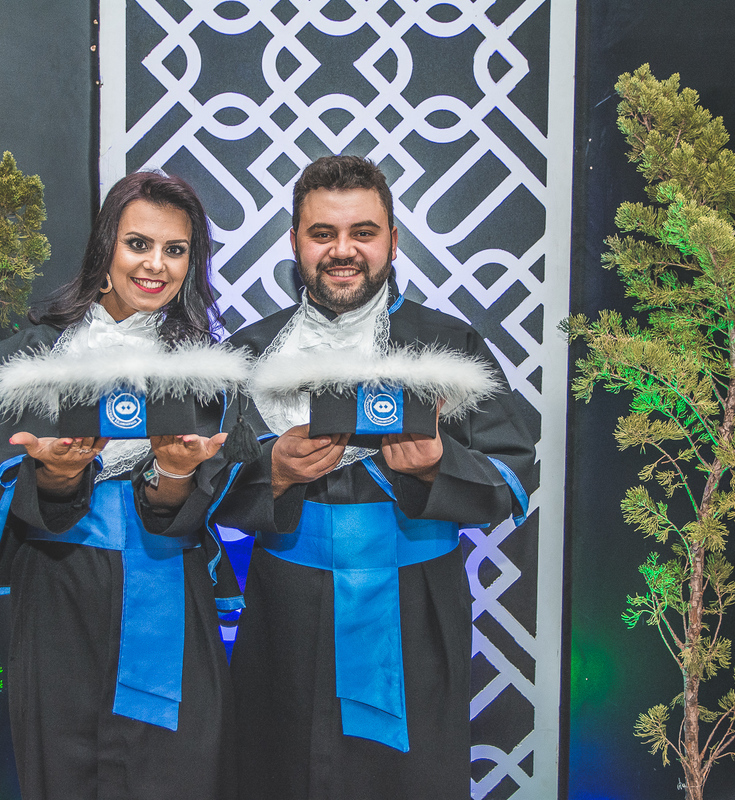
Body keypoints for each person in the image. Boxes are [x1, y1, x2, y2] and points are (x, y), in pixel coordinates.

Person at [215, 155, 533, 800]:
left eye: (363, 232)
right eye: (322, 233)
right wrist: (272, 472)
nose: (343, 250)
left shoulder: (451, 345)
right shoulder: (248, 352)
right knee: (280, 775)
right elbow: (202, 485)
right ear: (295, 242)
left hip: (416, 608)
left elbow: (512, 476)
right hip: (284, 606)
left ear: (392, 240)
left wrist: (439, 465)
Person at [0, 171, 240, 799]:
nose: (155, 265)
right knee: (64, 773)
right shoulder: (31, 357)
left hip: (169, 588)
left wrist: (176, 472)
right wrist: (57, 475)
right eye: (138, 244)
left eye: (175, 250)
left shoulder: (207, 370)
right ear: (105, 249)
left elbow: (196, 504)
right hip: (59, 591)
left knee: (175, 775)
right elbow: (12, 492)